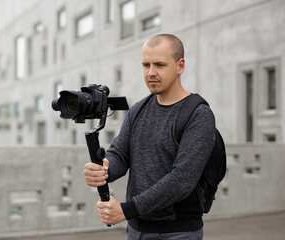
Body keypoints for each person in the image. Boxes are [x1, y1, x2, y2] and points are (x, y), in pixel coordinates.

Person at [83, 34, 215, 240]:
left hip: (178, 232)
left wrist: (126, 210)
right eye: (146, 65)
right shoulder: (138, 110)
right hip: (137, 230)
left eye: (160, 65)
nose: (151, 73)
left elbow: (181, 180)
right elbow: (120, 154)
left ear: (180, 66)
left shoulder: (198, 114)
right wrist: (104, 168)